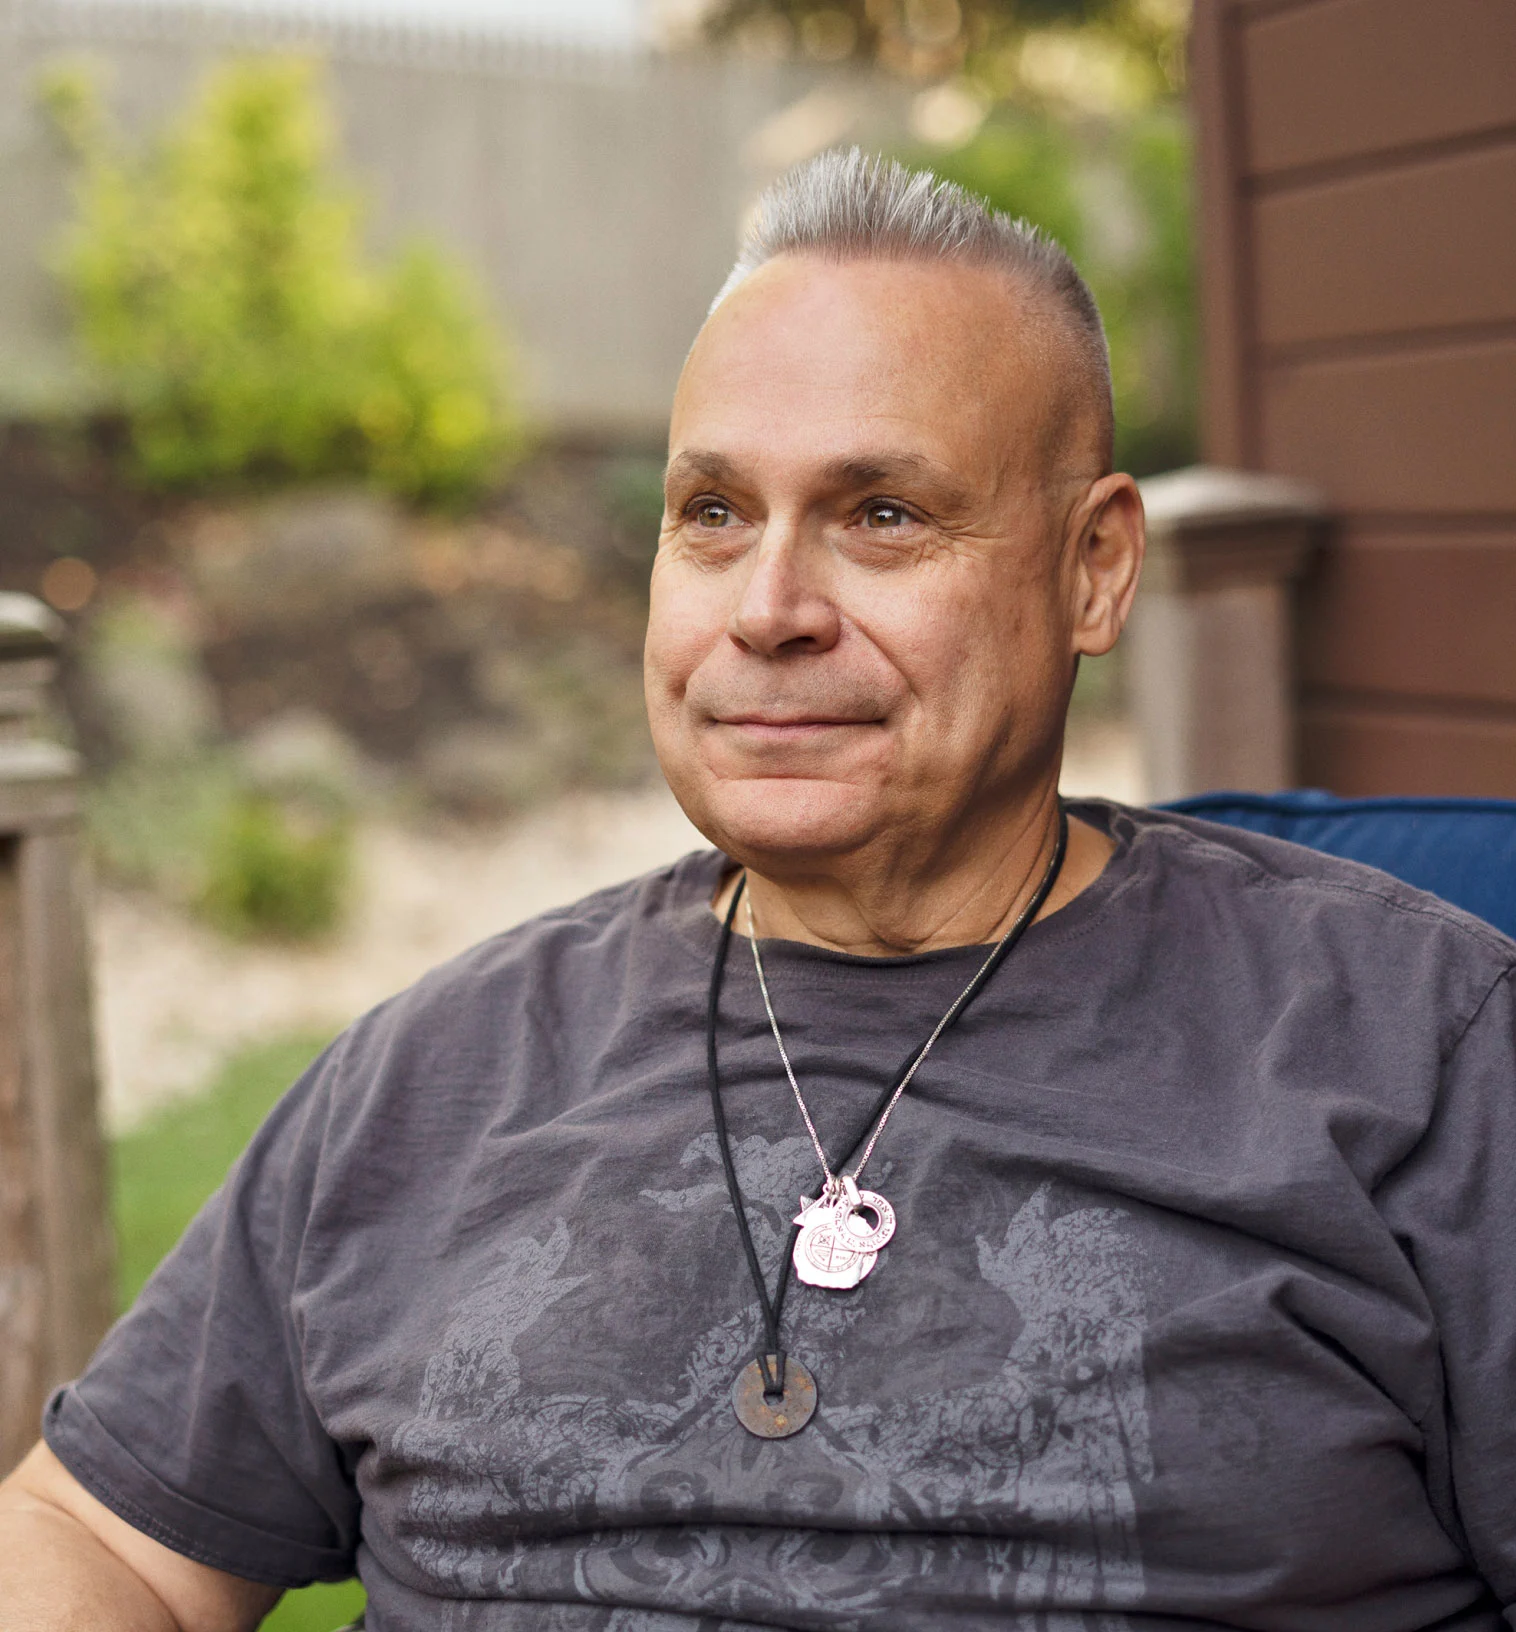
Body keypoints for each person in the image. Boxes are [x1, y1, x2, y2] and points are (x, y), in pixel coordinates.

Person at [3, 148, 1516, 1632]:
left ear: (1096, 569)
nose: (770, 610)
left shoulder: (1420, 1056)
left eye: (883, 516)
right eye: (715, 514)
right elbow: (102, 1539)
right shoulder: (438, 1075)